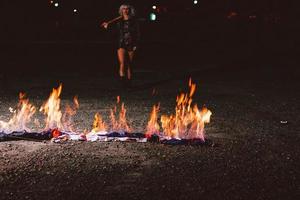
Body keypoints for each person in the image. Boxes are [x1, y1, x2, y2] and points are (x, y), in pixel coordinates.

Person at [102, 4, 140, 87]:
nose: (125, 10)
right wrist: (107, 26)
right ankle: (123, 82)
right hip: (121, 43)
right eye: (124, 9)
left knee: (130, 64)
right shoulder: (119, 21)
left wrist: (136, 44)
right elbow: (113, 31)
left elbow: (137, 33)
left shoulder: (134, 21)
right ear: (121, 11)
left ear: (129, 10)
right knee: (122, 63)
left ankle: (129, 82)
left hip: (131, 43)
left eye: (127, 9)